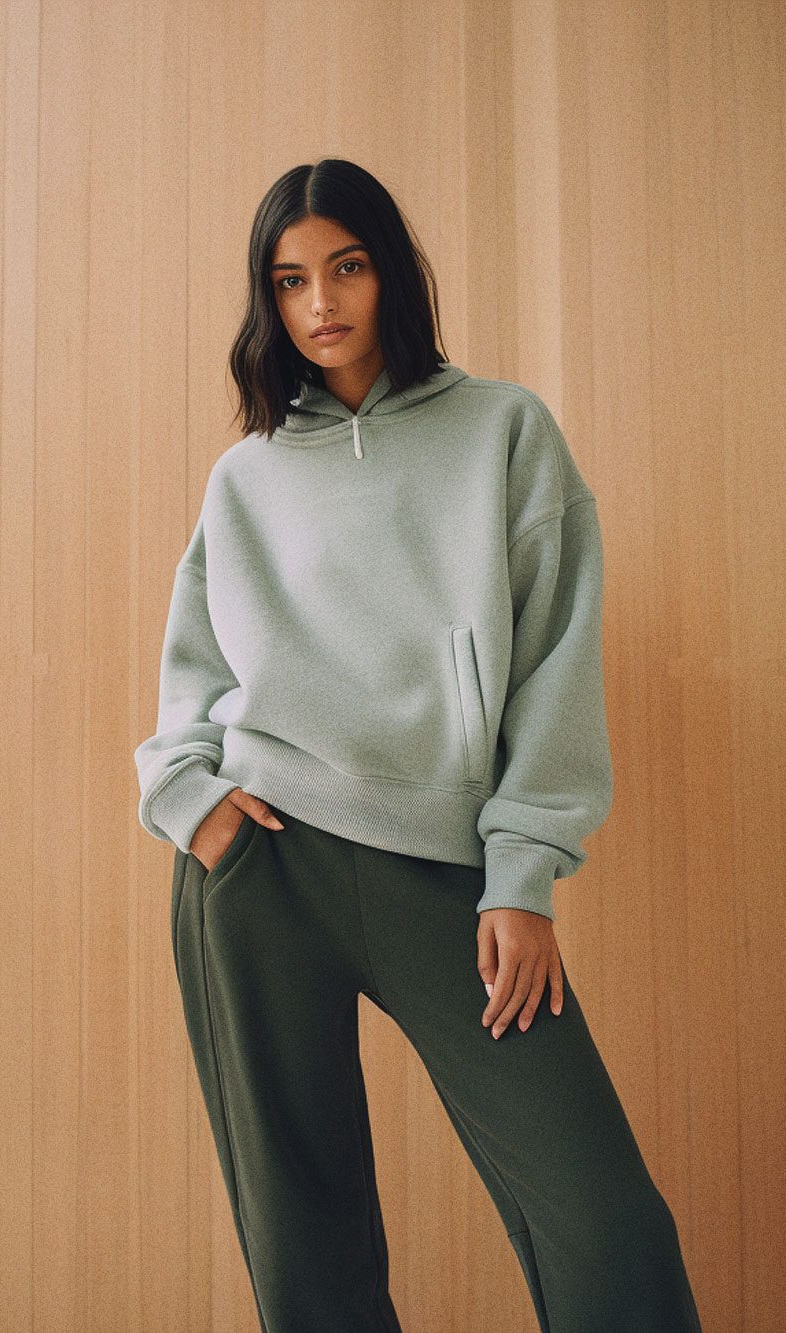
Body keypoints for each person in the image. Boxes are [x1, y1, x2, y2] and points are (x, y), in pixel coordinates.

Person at [134, 157, 704, 1333]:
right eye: (288, 281)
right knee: (308, 1242)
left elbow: (553, 658)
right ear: (268, 302)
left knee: (604, 1222)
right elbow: (193, 669)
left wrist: (523, 874)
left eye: (344, 266)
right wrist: (189, 801)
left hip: (448, 878)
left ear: (391, 271)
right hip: (263, 869)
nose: (320, 303)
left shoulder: (502, 430)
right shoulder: (244, 475)